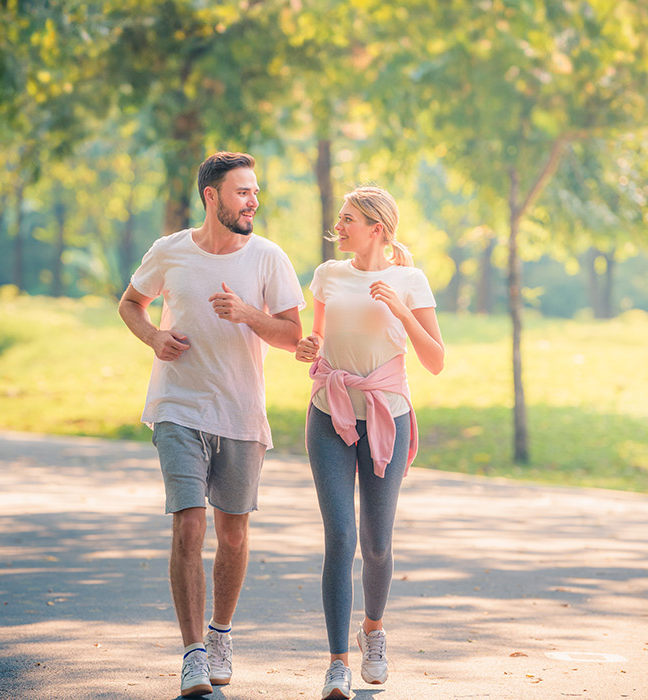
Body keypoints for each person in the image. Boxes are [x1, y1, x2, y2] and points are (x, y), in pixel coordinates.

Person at [119, 151, 305, 697]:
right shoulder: (170, 251)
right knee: (189, 524)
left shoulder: (269, 258)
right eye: (242, 191)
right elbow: (131, 303)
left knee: (233, 532)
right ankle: (193, 652)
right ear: (211, 196)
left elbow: (294, 337)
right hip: (178, 407)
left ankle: (221, 634)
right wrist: (154, 336)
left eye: (254, 192)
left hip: (241, 413)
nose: (252, 201)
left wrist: (247, 314)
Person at [293, 186, 444, 699]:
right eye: (341, 217)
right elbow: (312, 343)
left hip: (388, 416)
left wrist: (401, 311)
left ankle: (373, 633)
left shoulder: (410, 280)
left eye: (349, 218)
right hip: (329, 412)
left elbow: (435, 359)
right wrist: (306, 347)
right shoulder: (328, 275)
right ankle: (337, 662)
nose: (340, 225)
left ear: (376, 228)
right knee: (341, 537)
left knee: (376, 543)